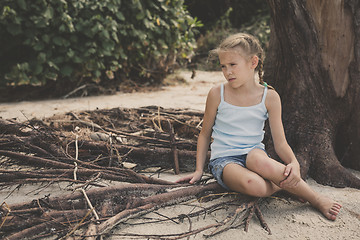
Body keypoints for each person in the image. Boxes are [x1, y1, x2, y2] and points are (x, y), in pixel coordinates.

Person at [176, 33, 341, 221]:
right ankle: (286, 185)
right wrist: (198, 170)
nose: (227, 71)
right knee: (255, 185)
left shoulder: (269, 97)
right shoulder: (217, 93)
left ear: (253, 62)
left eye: (233, 65)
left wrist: (293, 163)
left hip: (255, 153)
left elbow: (280, 143)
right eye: (223, 66)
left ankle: (316, 198)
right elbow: (205, 134)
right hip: (225, 160)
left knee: (258, 160)